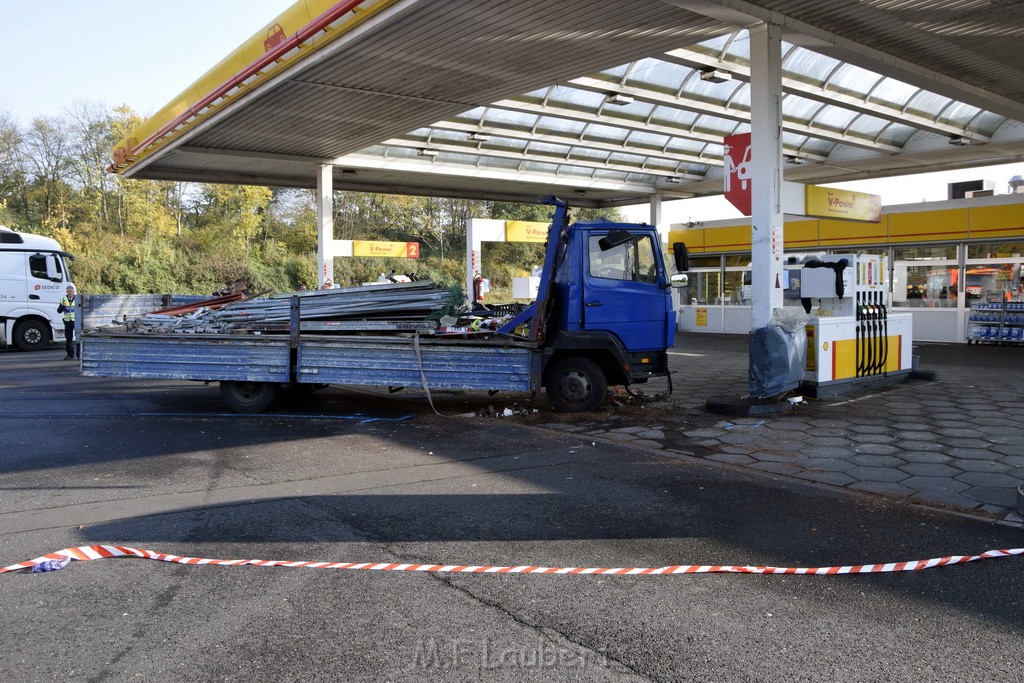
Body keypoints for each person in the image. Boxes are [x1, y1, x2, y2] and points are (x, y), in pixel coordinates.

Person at [57, 285, 78, 360]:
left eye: (71, 291)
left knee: (78, 337)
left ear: (74, 292)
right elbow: (59, 311)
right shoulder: (63, 299)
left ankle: (79, 355)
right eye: (68, 291)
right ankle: (70, 354)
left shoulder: (77, 299)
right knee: (69, 338)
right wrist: (62, 306)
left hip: (76, 321)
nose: (70, 293)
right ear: (66, 292)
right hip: (67, 321)